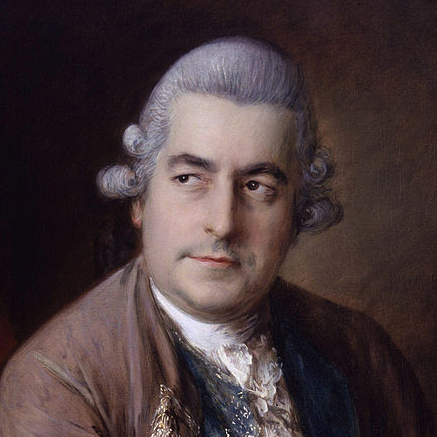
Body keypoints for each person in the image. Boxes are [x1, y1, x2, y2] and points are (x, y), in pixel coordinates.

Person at [0, 36, 433, 437]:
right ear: (140, 199)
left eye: (257, 186)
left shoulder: (363, 354)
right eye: (190, 178)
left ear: (297, 211)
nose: (224, 223)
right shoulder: (57, 380)